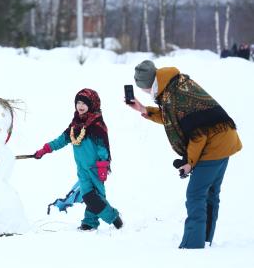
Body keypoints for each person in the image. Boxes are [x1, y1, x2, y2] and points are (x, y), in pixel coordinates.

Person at [127, 60, 242, 249]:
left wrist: (189, 162)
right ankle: (204, 240)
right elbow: (173, 117)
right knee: (210, 193)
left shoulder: (175, 94)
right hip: (224, 139)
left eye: (144, 89)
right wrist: (144, 110)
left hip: (213, 144)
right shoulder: (174, 84)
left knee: (196, 195)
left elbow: (197, 133)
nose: (145, 93)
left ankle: (193, 247)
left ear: (148, 84)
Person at [34, 88, 123, 231]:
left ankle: (111, 217)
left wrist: (103, 165)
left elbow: (103, 147)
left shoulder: (97, 125)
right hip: (82, 168)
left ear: (92, 105)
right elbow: (61, 140)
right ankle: (90, 222)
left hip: (96, 168)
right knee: (88, 195)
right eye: (78, 103)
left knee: (96, 197)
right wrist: (45, 149)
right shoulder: (75, 125)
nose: (80, 106)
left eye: (84, 103)